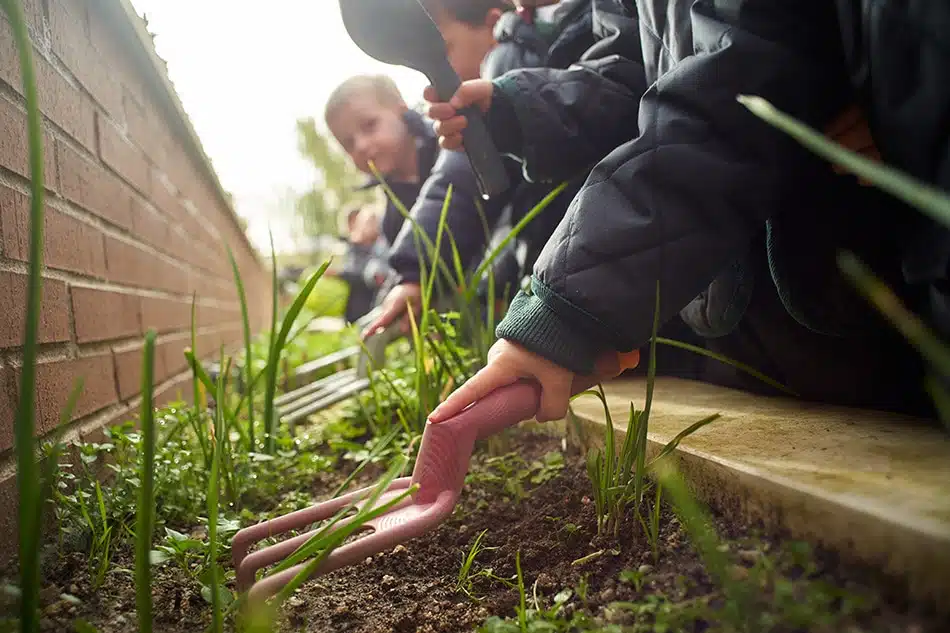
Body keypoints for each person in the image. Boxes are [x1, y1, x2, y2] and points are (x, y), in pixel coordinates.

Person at [425, 0, 928, 426]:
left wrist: (566, 311)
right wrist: (518, 110)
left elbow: (732, 90)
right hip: (722, 296)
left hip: (833, 275)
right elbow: (629, 80)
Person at [362, 0, 600, 338]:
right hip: (550, 281)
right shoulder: (507, 57)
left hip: (619, 260)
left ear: (492, 26)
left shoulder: (610, 22)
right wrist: (417, 271)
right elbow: (459, 181)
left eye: (445, 50)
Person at [338, 207, 390, 323]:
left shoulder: (381, 247)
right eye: (363, 223)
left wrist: (339, 274)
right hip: (355, 309)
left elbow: (364, 274)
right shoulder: (354, 248)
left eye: (371, 222)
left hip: (371, 306)